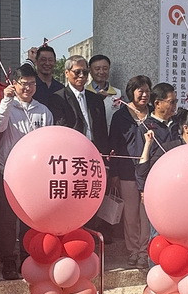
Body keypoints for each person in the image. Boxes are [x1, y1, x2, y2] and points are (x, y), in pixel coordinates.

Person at [0, 63, 53, 280]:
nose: (27, 88)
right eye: (23, 84)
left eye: (31, 84)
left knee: (31, 219)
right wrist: (6, 100)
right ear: (14, 84)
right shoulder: (7, 105)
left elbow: (47, 142)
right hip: (8, 172)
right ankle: (8, 260)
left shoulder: (43, 110)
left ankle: (28, 257)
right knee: (8, 220)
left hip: (34, 176)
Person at [108, 75, 152, 269]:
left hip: (149, 173)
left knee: (146, 214)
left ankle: (145, 251)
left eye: (147, 91)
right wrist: (114, 173)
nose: (144, 95)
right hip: (126, 172)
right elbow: (114, 145)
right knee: (130, 215)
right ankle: (133, 250)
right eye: (140, 90)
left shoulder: (153, 115)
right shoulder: (120, 116)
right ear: (131, 92)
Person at [50, 55, 109, 156]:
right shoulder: (58, 98)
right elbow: (62, 129)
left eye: (85, 72)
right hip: (72, 152)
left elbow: (102, 130)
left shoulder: (96, 99)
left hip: (95, 152)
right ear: (67, 73)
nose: (81, 76)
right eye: (77, 72)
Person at [87, 54, 120, 123]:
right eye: (97, 69)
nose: (101, 72)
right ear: (90, 70)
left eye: (105, 69)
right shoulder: (84, 92)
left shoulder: (118, 93)